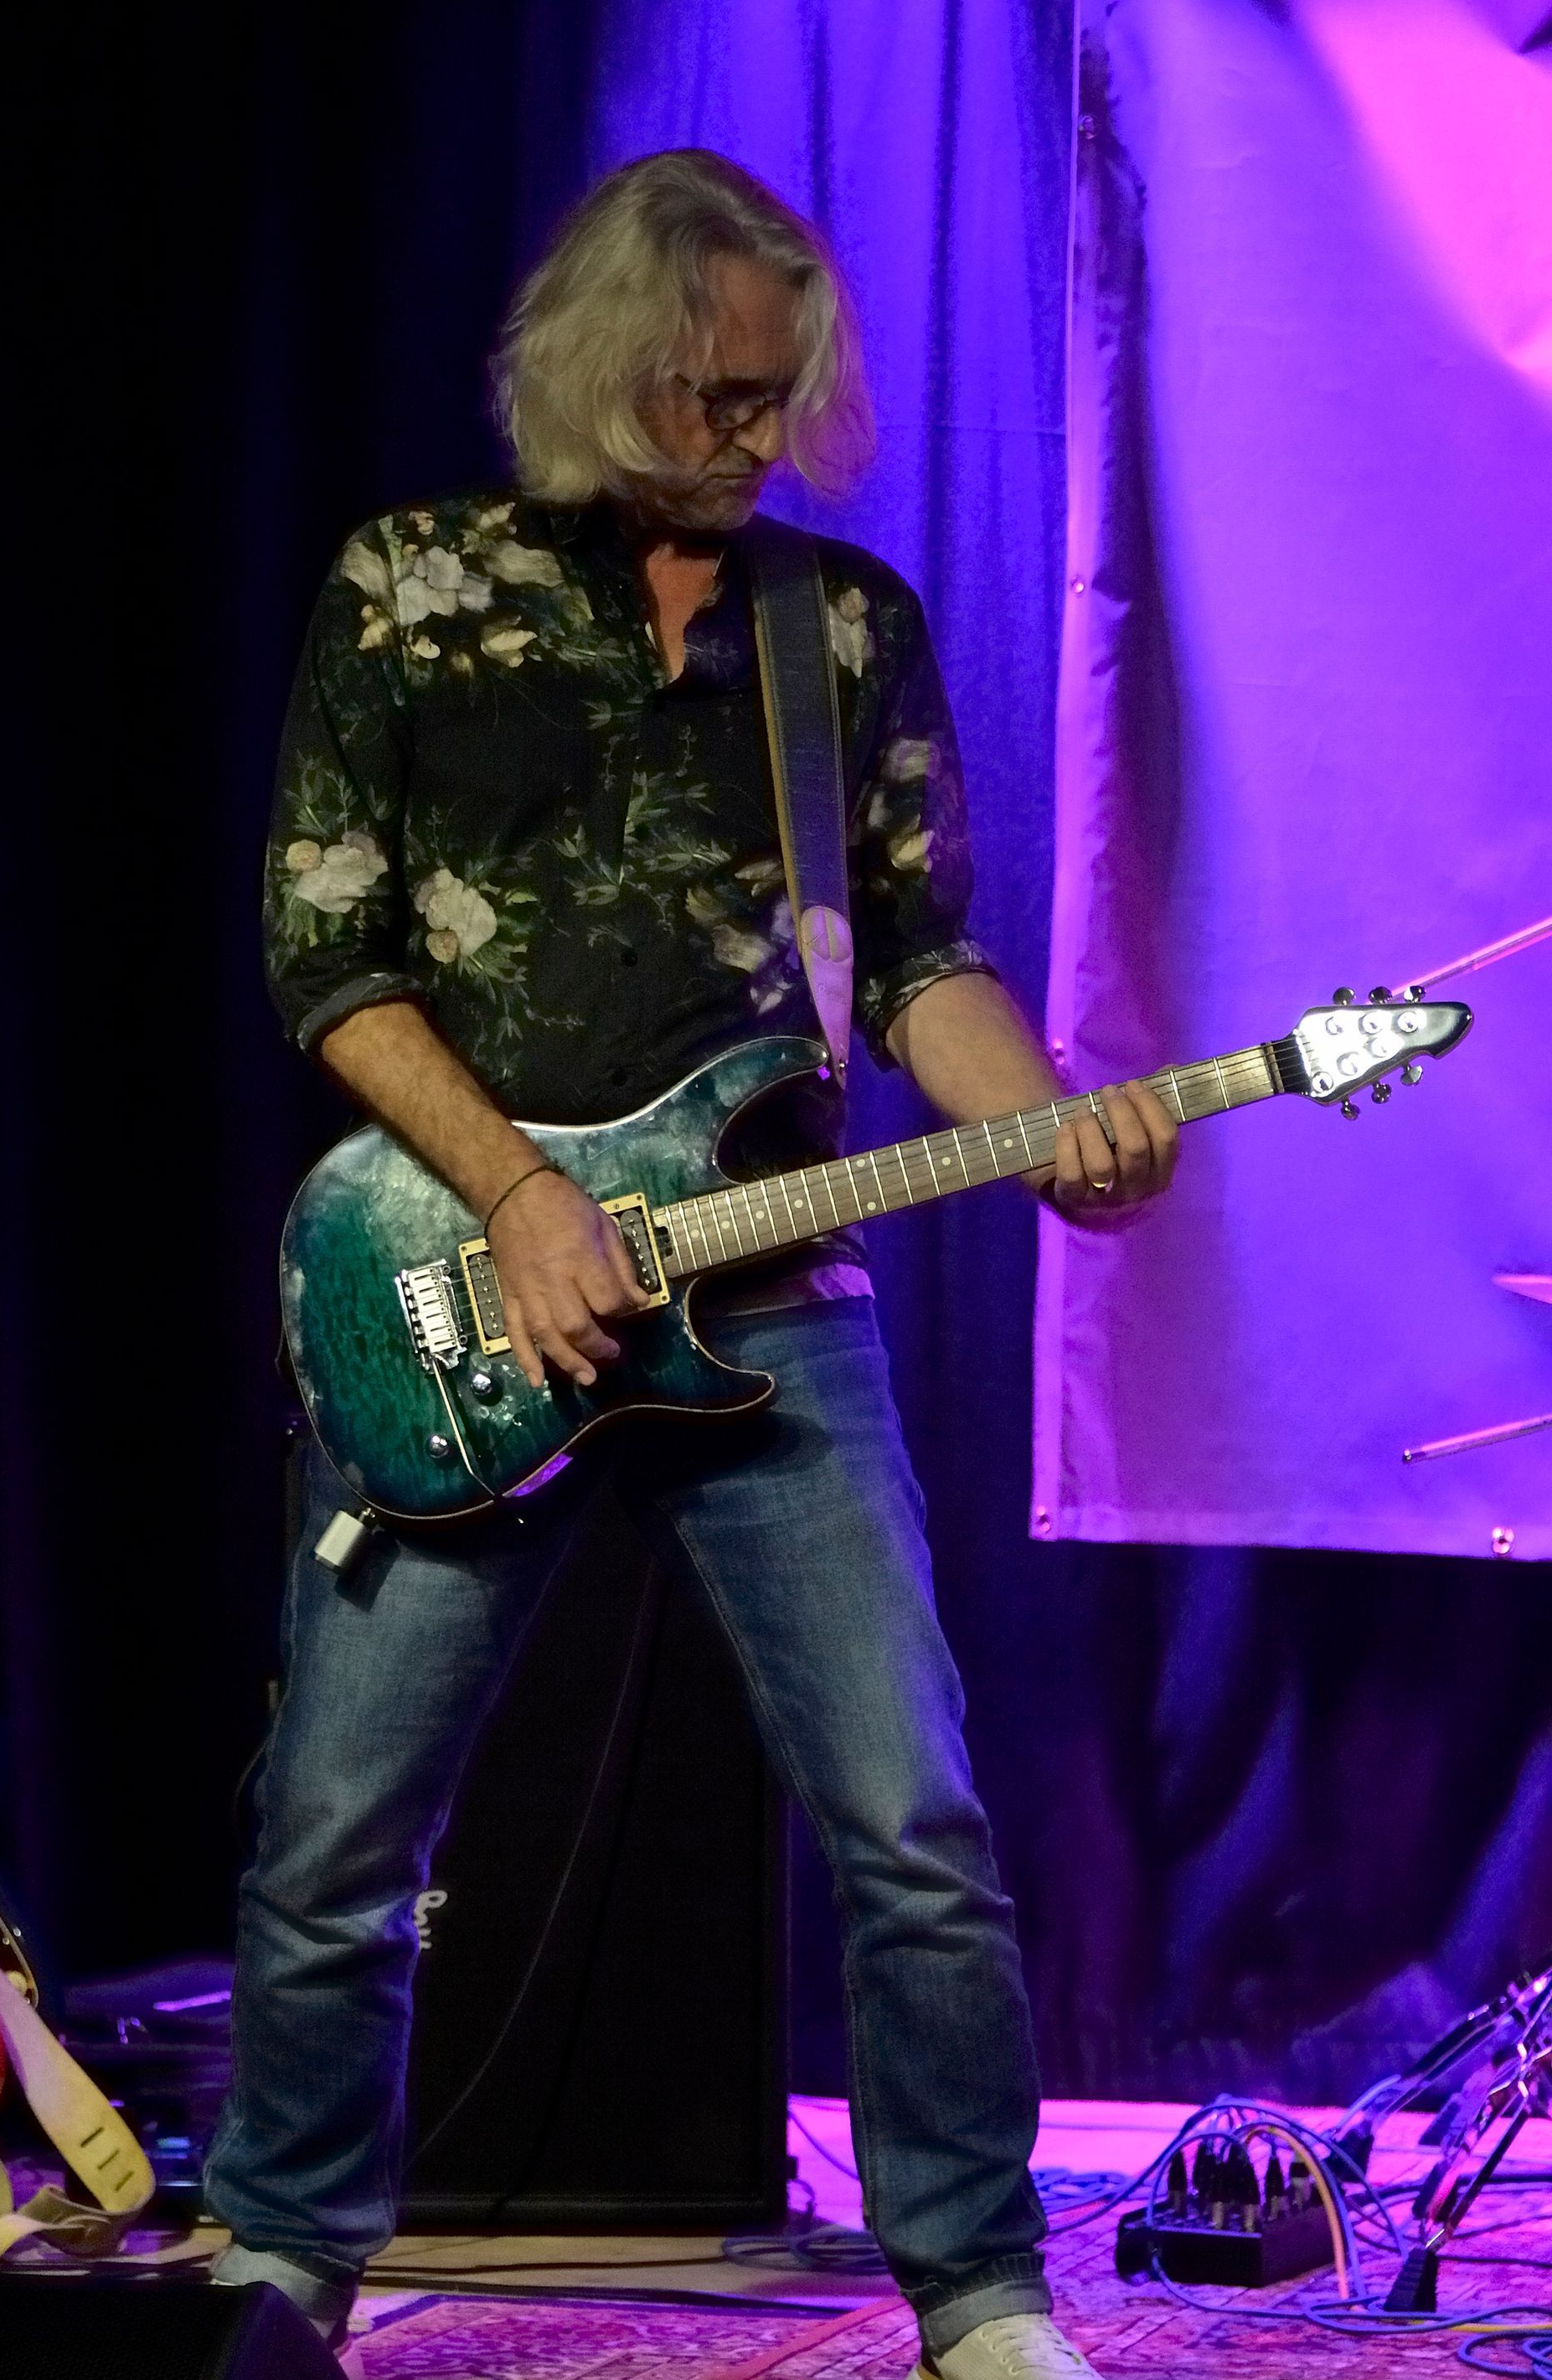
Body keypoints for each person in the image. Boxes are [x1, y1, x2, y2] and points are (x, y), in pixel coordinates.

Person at [204, 149, 1178, 2380]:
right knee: (337, 1832)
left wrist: (1052, 1125)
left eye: (776, 397)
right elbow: (326, 958)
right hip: (461, 1289)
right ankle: (279, 2277)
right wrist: (521, 1198)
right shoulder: (411, 587)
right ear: (599, 367)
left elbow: (919, 958)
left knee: (915, 1820)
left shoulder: (842, 630)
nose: (753, 437)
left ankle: (980, 2295)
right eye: (709, 396)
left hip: (770, 1303)